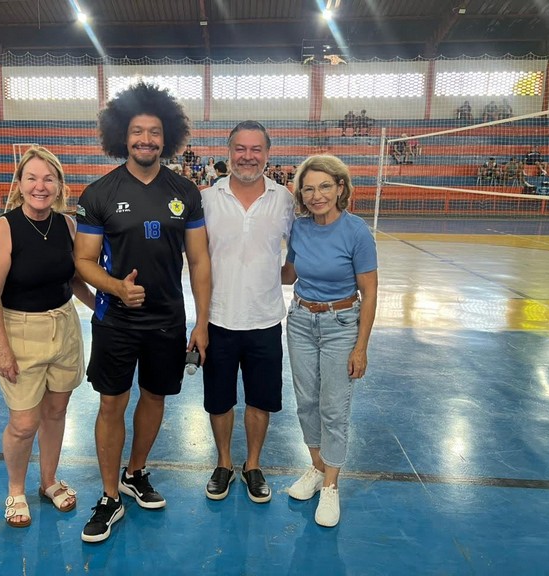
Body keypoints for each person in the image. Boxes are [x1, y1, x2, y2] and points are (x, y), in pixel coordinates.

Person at [74, 81, 211, 543]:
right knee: (112, 402)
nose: (146, 140)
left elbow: (200, 261)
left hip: (168, 322)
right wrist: (115, 287)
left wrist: (202, 322)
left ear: (167, 136)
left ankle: (136, 473)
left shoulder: (186, 192)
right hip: (115, 320)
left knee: (155, 398)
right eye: (137, 132)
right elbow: (83, 261)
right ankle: (110, 496)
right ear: (122, 135)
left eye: (154, 132)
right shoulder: (99, 192)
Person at [0, 146, 96, 528]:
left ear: (59, 185)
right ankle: (16, 489)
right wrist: (1, 349)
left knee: (56, 411)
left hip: (64, 326)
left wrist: (101, 308)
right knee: (24, 423)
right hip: (20, 330)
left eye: (48, 178)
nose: (40, 186)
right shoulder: (4, 228)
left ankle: (48, 481)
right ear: (19, 183)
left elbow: (75, 278)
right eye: (32, 177)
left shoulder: (67, 225)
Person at [200, 121, 295, 504]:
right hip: (218, 319)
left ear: (267, 155)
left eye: (256, 149)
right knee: (219, 400)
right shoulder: (207, 199)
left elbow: (302, 249)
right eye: (241, 148)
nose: (248, 156)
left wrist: (284, 275)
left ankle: (252, 464)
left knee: (260, 400)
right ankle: (224, 462)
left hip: (266, 320)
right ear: (229, 152)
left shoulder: (285, 200)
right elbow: (194, 257)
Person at [282, 154, 378, 528]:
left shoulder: (356, 232)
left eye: (325, 186)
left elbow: (369, 293)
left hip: (342, 324)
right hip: (301, 320)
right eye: (308, 188)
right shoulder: (300, 228)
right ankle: (317, 467)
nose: (316, 195)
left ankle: (332, 486)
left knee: (333, 408)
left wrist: (361, 347)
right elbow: (288, 274)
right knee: (306, 402)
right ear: (301, 194)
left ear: (341, 188)